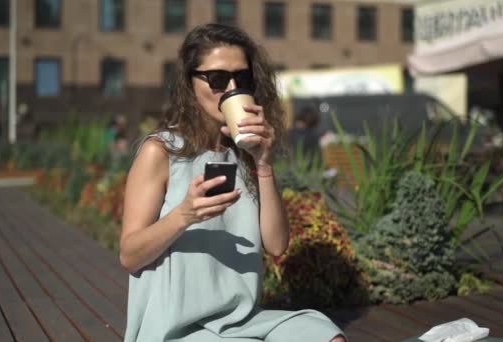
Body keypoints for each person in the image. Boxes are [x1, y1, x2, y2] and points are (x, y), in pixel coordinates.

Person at [119, 23, 346, 342]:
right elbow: (129, 255)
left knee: (327, 336)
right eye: (216, 78)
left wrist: (264, 163)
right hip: (176, 327)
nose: (231, 88)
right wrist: (184, 214)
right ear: (189, 83)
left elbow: (277, 245)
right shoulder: (161, 151)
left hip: (241, 319)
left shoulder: (247, 154)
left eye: (242, 78)